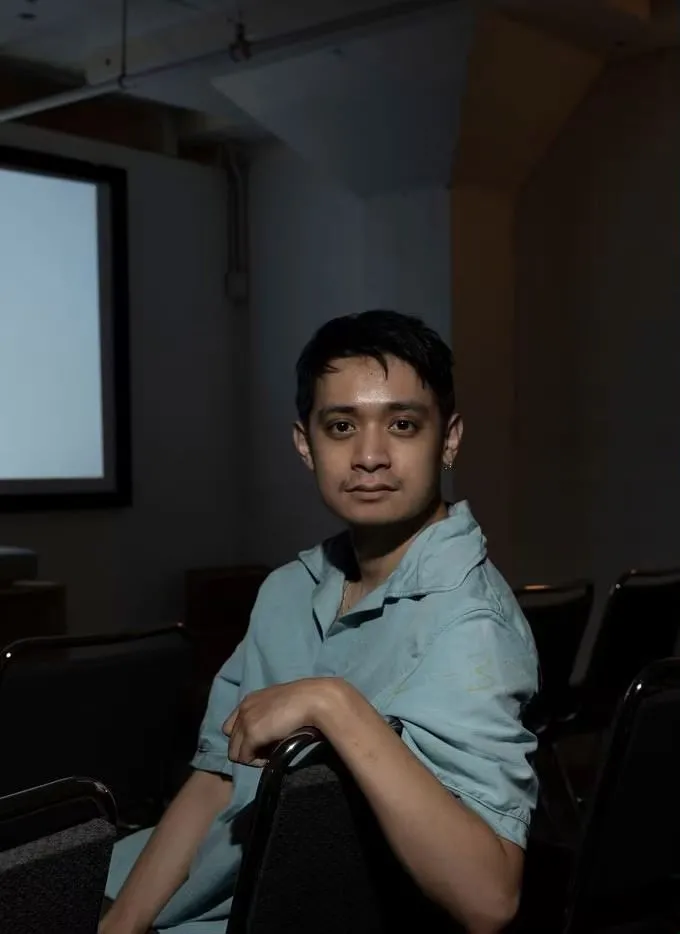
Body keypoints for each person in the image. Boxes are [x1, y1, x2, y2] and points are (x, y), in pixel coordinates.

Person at [101, 310, 538, 934]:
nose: (369, 456)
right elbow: (217, 777)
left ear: (450, 439)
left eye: (404, 425)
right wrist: (122, 926)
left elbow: (489, 900)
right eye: (341, 426)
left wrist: (333, 703)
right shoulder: (287, 589)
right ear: (306, 444)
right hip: (199, 886)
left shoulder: (470, 625)